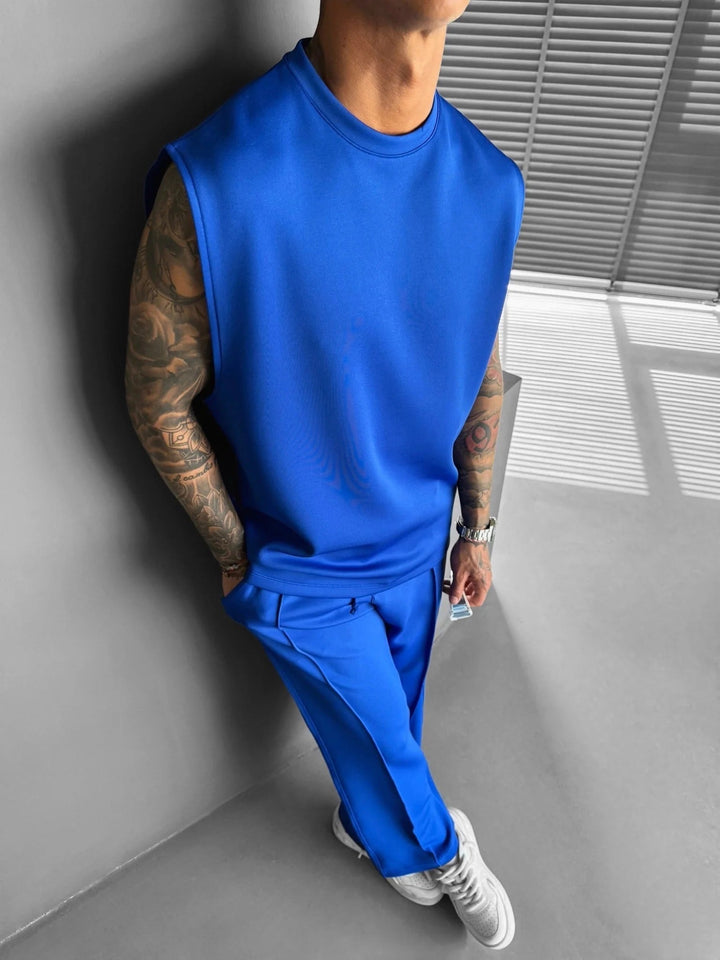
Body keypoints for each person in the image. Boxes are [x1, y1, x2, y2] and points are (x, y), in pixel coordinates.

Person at [125, 0, 524, 949]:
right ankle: (439, 848)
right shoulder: (220, 177)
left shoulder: (490, 185)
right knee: (392, 752)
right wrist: (235, 551)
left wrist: (477, 528)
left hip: (420, 544)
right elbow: (157, 396)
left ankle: (367, 826)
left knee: (390, 734)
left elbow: (482, 366)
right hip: (297, 565)